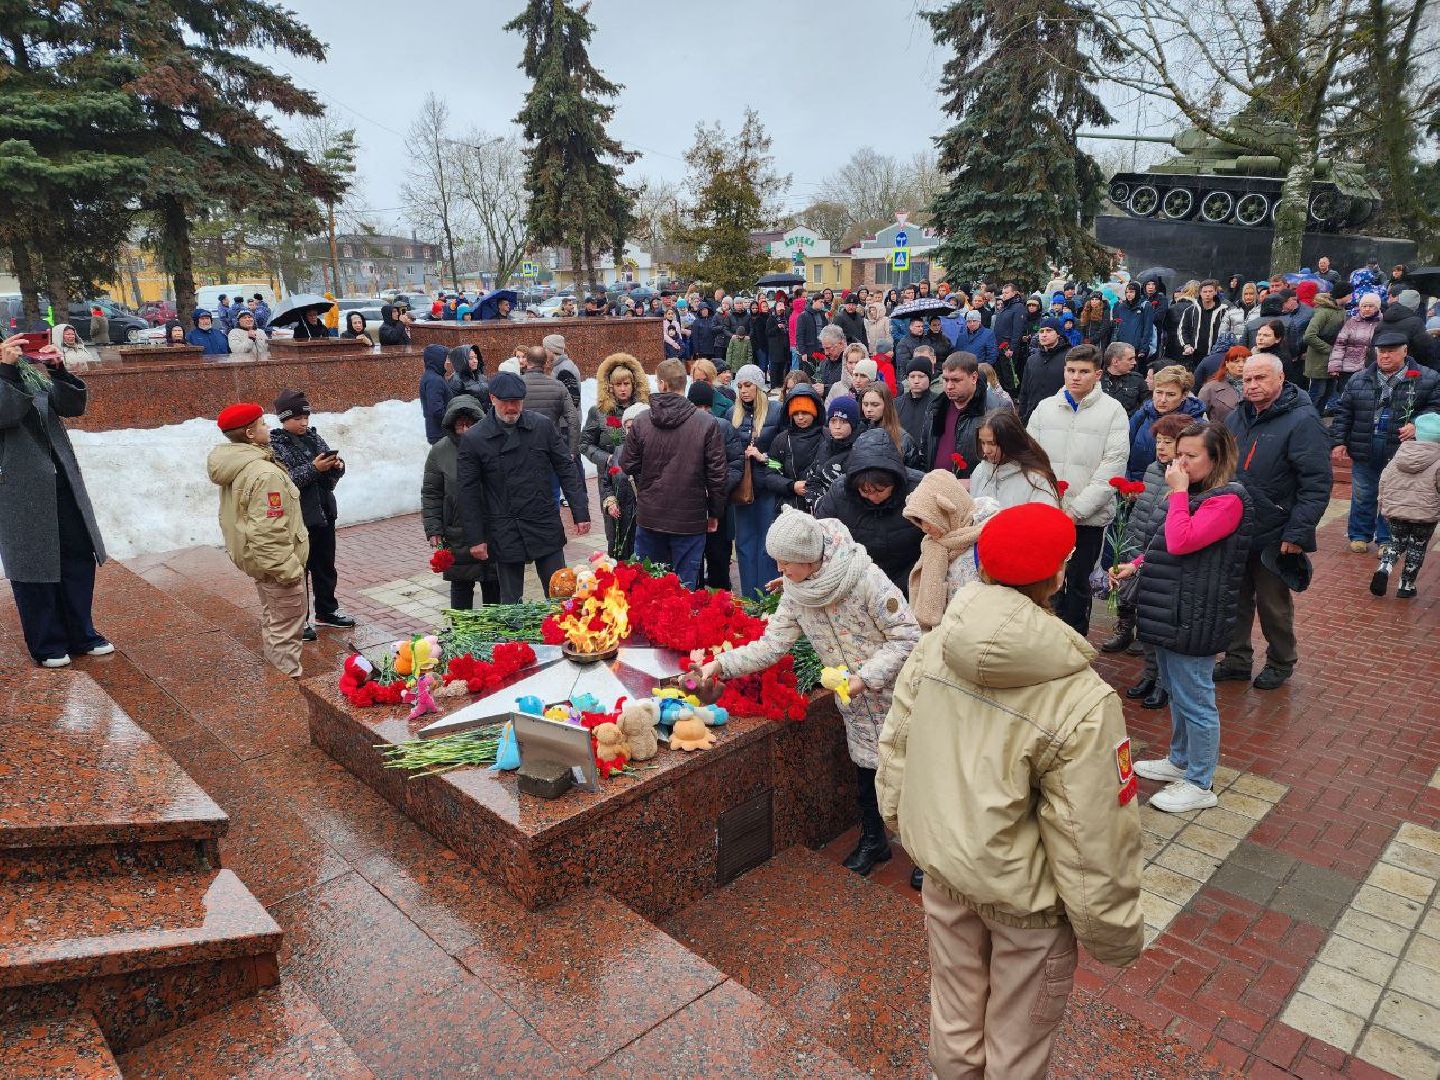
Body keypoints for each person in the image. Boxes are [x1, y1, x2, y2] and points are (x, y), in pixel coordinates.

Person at [876, 502, 1143, 1080]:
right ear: (1058, 575)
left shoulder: (935, 647)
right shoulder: (1083, 700)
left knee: (953, 1015)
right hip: (1025, 903)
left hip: (946, 871)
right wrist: (1114, 933)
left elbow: (894, 748)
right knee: (1016, 1046)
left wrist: (903, 825)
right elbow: (1093, 832)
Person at [702, 509, 920, 877]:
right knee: (866, 773)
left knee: (912, 774)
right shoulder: (797, 591)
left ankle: (924, 858)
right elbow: (773, 645)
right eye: (779, 562)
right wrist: (721, 664)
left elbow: (908, 636)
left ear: (810, 558)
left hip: (895, 694)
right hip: (855, 703)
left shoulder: (865, 578)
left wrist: (865, 677)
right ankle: (874, 840)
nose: (781, 570)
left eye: (787, 563)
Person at [1115, 423, 1252, 813]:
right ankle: (1179, 761)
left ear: (1217, 458)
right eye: (1179, 455)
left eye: (1191, 456)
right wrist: (1137, 565)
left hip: (1196, 614)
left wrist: (1176, 491)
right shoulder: (1194, 494)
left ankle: (1200, 781)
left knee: (1196, 697)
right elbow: (1166, 545)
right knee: (1177, 691)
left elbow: (1182, 539)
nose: (1182, 464)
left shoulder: (1228, 500)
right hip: (1172, 608)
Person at [1217, 354, 1332, 689]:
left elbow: (1316, 482)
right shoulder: (1237, 416)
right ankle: (1236, 658)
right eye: (1248, 379)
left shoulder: (1303, 420)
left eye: (1261, 379)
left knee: (1273, 605)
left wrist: (1298, 531)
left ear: (1280, 379)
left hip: (1275, 530)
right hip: (1234, 527)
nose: (1252, 386)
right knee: (1234, 600)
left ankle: (1281, 662)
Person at [0, 337, 112, 668]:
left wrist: (56, 369)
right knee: (34, 562)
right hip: (18, 485)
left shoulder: (29, 372)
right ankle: (47, 642)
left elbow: (72, 406)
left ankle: (82, 632)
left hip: (60, 478)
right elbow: (5, 413)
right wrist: (5, 371)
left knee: (76, 554)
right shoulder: (10, 373)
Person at [457, 371, 590, 604]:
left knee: (561, 592)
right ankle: (515, 641)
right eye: (506, 402)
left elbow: (566, 469)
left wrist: (580, 512)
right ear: (492, 399)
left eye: (516, 401)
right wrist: (476, 537)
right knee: (511, 603)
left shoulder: (542, 426)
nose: (511, 408)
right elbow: (467, 493)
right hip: (505, 525)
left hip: (543, 521)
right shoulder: (475, 438)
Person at [1026, 345, 1130, 637]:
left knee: (1079, 584)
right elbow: (1031, 458)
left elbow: (1112, 467)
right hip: (1048, 512)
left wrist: (1076, 511)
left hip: (1086, 518)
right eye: (1070, 371)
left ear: (1097, 374)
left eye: (1083, 372)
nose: (1075, 377)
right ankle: (1045, 639)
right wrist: (1046, 503)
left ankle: (1075, 641)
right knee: (1046, 580)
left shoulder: (1113, 412)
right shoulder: (1046, 408)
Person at [207, 402, 309, 678]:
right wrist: (288, 570)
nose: (268, 428)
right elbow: (268, 531)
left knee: (275, 620)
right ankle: (287, 693)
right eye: (263, 424)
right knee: (285, 629)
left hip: (262, 564)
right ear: (250, 433)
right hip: (276, 568)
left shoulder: (243, 464)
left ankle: (280, 689)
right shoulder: (264, 473)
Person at [1106, 412, 1194, 696]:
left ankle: (1162, 683)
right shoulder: (1153, 470)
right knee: (1145, 618)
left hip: (1164, 556)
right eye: (1159, 441)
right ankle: (1149, 674)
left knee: (1159, 623)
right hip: (1140, 549)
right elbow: (1142, 514)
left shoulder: (1186, 481)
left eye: (1168, 442)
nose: (1161, 447)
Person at [619, 358, 726, 590]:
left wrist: (648, 481)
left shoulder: (641, 421)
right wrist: (715, 512)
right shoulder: (706, 423)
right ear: (683, 384)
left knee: (648, 587)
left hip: (651, 514)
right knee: (685, 588)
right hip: (690, 517)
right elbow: (717, 475)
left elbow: (627, 464)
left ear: (662, 384)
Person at [1330, 330, 1440, 552]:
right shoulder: (1359, 378)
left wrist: (1418, 423)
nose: (1385, 356)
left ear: (1405, 351)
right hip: (1364, 443)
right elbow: (1344, 412)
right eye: (1381, 352)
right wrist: (1338, 441)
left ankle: (1386, 538)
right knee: (1362, 492)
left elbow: (1436, 407)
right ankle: (1359, 534)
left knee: (1392, 493)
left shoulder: (1427, 377)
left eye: (1391, 352)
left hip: (1401, 448)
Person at [268, 389, 354, 637]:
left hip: (325, 512)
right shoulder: (276, 446)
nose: (304, 422)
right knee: (299, 570)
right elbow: (285, 481)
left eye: (306, 417)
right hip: (300, 517)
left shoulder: (315, 439)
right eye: (297, 418)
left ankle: (326, 611)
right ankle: (299, 620)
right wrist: (314, 468)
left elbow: (328, 482)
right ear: (284, 419)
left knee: (325, 565)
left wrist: (337, 467)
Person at [814, 428, 923, 596]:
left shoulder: (919, 488)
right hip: (857, 582)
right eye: (865, 491)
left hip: (912, 580)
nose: (872, 497)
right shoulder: (840, 492)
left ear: (894, 482)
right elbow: (820, 537)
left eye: (880, 490)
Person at [423, 395, 499, 609]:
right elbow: (431, 493)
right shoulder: (440, 451)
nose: (465, 430)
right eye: (460, 425)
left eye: (470, 424)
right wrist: (433, 530)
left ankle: (497, 638)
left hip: (491, 527)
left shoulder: (492, 445)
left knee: (494, 585)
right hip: (457, 531)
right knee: (461, 588)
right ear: (452, 425)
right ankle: (461, 636)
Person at [903, 469, 997, 633]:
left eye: (930, 520)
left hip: (978, 632)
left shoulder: (988, 539)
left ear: (948, 511)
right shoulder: (934, 544)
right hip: (944, 634)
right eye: (920, 521)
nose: (925, 528)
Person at [1374, 411, 1440, 598]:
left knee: (1396, 542)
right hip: (1425, 513)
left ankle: (1385, 567)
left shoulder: (1400, 454)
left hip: (1397, 509)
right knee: (1417, 547)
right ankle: (1406, 584)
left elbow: (1384, 479)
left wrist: (1383, 504)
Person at [728, 364, 781, 596]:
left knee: (767, 546)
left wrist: (764, 458)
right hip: (742, 489)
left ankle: (767, 599)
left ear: (758, 386)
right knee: (745, 544)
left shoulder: (776, 412)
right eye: (739, 386)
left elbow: (785, 461)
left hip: (769, 487)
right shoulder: (732, 414)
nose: (743, 391)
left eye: (748, 385)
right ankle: (750, 598)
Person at [926, 353, 1000, 478]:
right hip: (935, 486)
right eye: (945, 379)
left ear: (974, 378)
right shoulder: (936, 406)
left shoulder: (994, 411)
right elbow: (926, 449)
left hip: (972, 493)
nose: (949, 386)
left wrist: (974, 483)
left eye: (956, 380)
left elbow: (1004, 460)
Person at [1126, 365, 1206, 480]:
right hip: (1135, 487)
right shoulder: (1142, 415)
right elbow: (1123, 450)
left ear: (1184, 395)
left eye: (1171, 394)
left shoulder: (1196, 425)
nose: (1163, 399)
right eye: (1159, 392)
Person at [969, 409, 1061, 508]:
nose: (986, 450)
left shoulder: (1035, 479)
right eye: (983, 442)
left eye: (993, 443)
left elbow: (1045, 518)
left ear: (1010, 441)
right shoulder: (980, 471)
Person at [758, 382, 826, 512]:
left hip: (821, 508)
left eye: (805, 412)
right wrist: (792, 486)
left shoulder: (828, 438)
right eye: (796, 413)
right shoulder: (781, 440)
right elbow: (771, 474)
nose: (800, 417)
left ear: (815, 412)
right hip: (788, 508)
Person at [597, 402, 649, 561]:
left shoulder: (655, 452)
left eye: (636, 426)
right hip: (621, 523)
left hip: (645, 522)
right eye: (628, 428)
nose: (632, 432)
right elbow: (606, 481)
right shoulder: (618, 451)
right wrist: (610, 502)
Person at [521, 345, 579, 461]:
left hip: (523, 448)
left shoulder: (517, 384)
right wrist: (572, 451)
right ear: (545, 362)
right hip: (551, 448)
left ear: (527, 361)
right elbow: (573, 419)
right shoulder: (558, 386)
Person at [805, 397, 862, 509]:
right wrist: (813, 501)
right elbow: (812, 477)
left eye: (844, 422)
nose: (837, 426)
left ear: (853, 424)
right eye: (833, 421)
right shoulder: (825, 445)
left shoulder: (860, 449)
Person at [1302, 286, 1347, 410]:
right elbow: (1309, 336)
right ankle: (1309, 418)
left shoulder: (1341, 311)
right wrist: (1329, 349)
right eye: (1350, 294)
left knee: (1327, 393)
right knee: (1317, 393)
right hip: (1319, 361)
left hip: (1333, 361)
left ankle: (1318, 419)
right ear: (1344, 295)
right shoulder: (1323, 312)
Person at [1017, 319, 1071, 422]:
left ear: (1058, 334)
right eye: (1041, 331)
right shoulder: (1032, 360)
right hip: (1033, 417)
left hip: (1060, 418)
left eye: (1049, 331)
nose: (1044, 335)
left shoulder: (1069, 358)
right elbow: (1024, 392)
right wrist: (1022, 417)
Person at [859, 383, 921, 468]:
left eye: (875, 405)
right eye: (865, 404)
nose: (868, 409)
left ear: (886, 405)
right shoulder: (861, 432)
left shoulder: (904, 439)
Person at [896, 352, 935, 449]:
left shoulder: (938, 403)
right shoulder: (896, 404)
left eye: (921, 376)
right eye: (912, 377)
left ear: (929, 378)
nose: (916, 381)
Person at [419, 344, 454, 446]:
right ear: (437, 360)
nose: (447, 362)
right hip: (440, 433)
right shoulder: (434, 380)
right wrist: (454, 420)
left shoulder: (433, 376)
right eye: (445, 359)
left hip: (438, 431)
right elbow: (436, 410)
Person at [1199, 347, 1246, 424]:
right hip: (1220, 434)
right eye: (1236, 361)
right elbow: (1196, 417)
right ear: (1227, 363)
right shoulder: (1210, 388)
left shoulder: (1257, 386)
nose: (1241, 365)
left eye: (1245, 361)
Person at [1111, 281, 1154, 366]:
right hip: (1122, 346)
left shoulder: (1145, 305)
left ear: (1137, 292)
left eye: (1132, 292)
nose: (1129, 294)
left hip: (1137, 348)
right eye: (1127, 292)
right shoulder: (1121, 306)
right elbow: (1117, 326)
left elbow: (1148, 328)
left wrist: (1143, 348)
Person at [1100, 342, 1144, 416]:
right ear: (1115, 361)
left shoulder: (1138, 380)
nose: (1134, 362)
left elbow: (1147, 403)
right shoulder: (1096, 380)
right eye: (1130, 359)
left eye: (1134, 358)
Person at [447, 345, 489, 409]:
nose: (475, 361)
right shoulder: (456, 380)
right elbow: (454, 406)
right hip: (471, 417)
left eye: (476, 357)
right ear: (462, 361)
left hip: (485, 416)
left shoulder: (481, 376)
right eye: (470, 358)